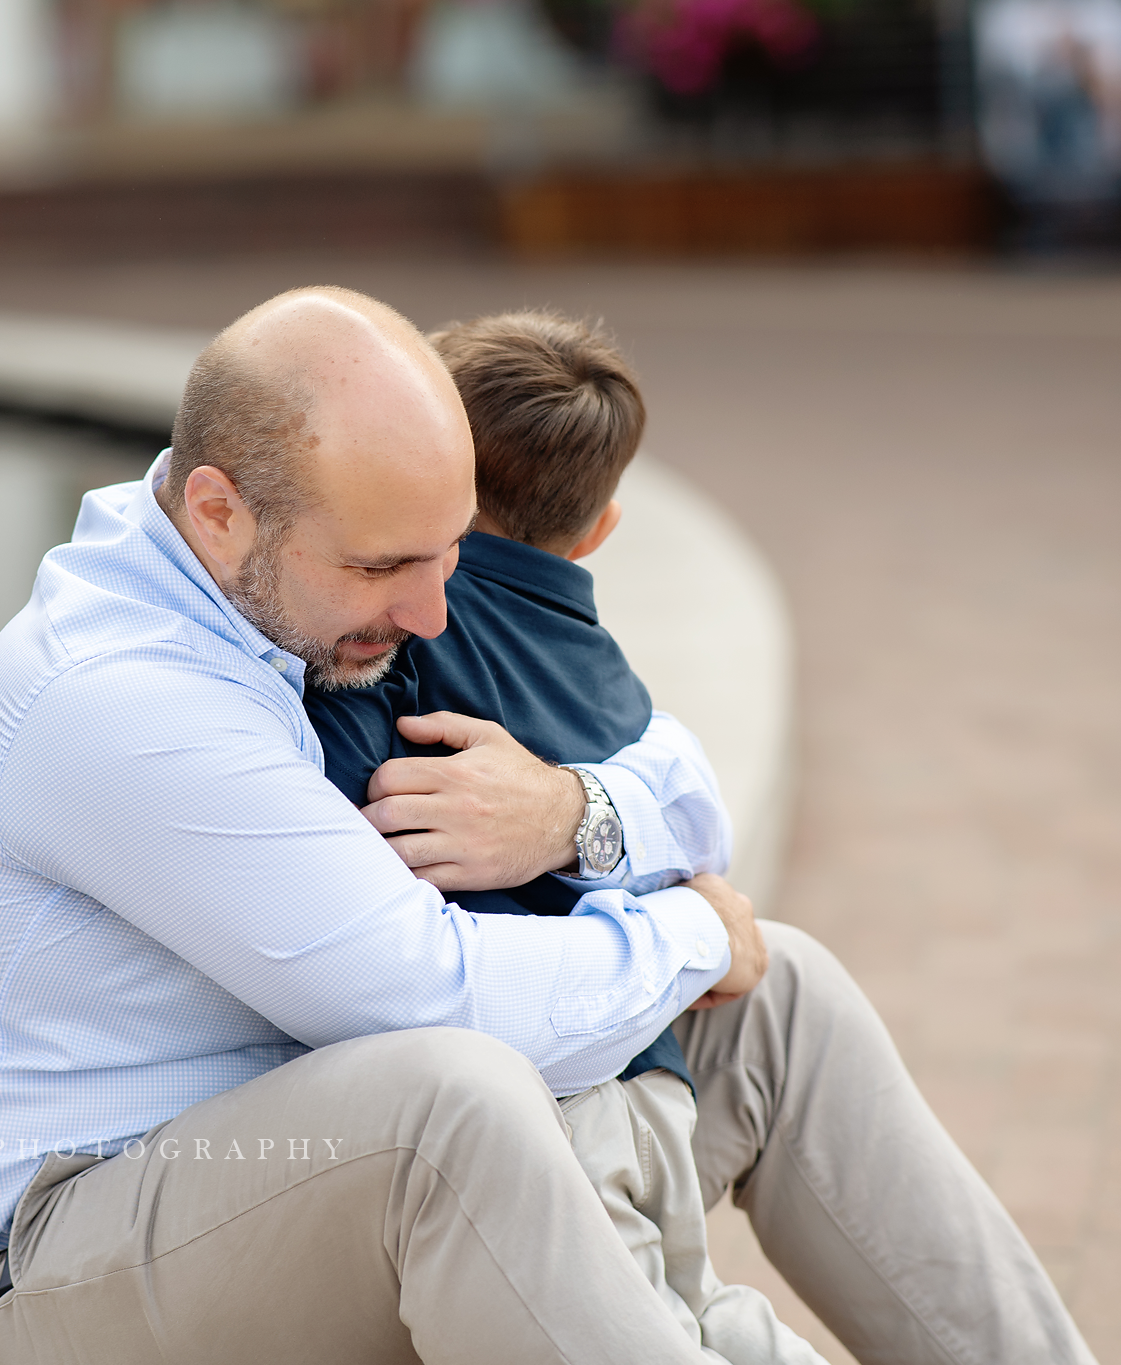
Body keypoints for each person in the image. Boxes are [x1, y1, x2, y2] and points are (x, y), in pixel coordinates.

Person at [0, 285, 1098, 1365]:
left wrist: (574, 816)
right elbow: (423, 997)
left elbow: (648, 758)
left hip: (274, 1181)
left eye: (449, 553)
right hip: (53, 1277)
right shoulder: (120, 704)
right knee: (451, 1105)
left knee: (777, 1006)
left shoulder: (266, 594)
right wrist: (689, 936)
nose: (436, 613)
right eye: (386, 568)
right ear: (221, 512)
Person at [303, 309, 821, 1362]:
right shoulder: (604, 668)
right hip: (661, 1084)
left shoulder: (393, 645)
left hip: (555, 1113)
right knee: (700, 1312)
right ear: (597, 534)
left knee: (662, 1330)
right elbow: (684, 799)